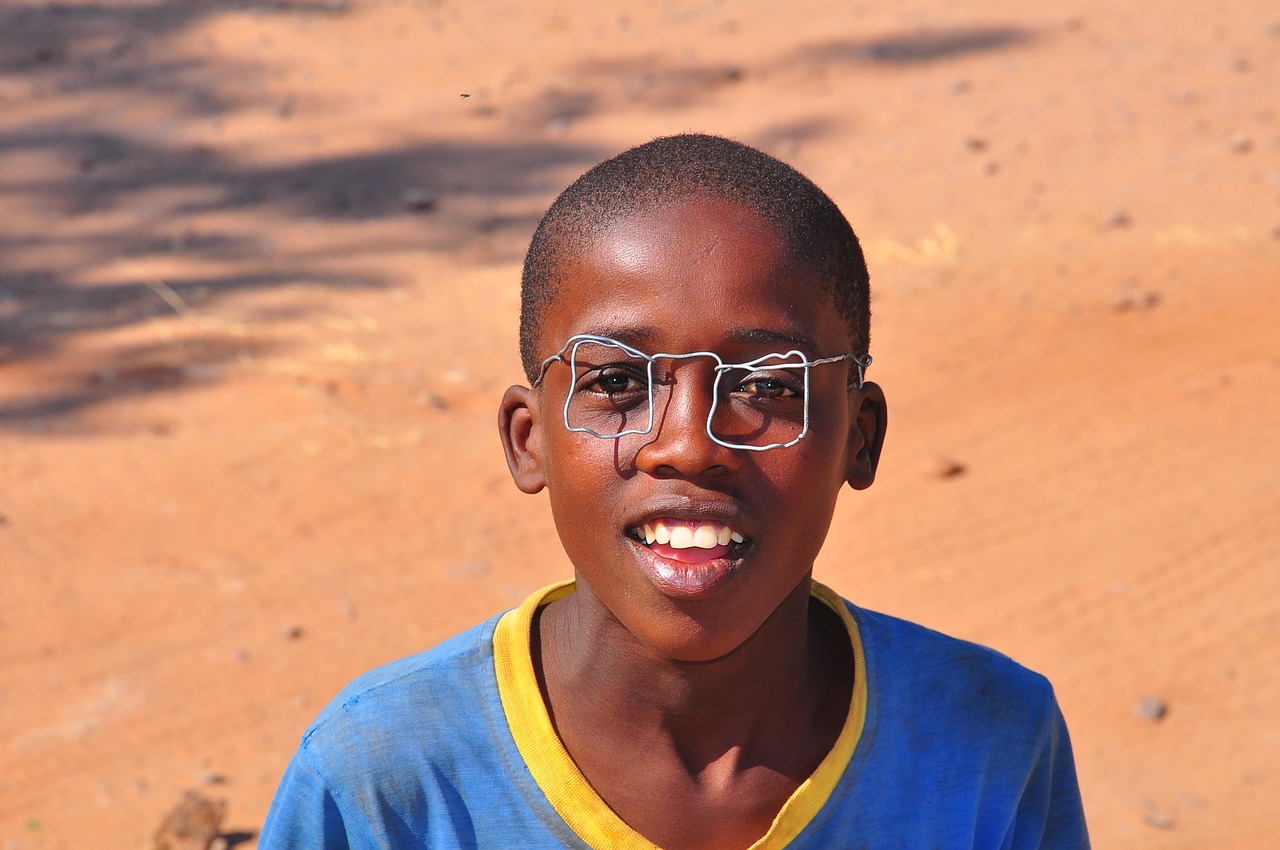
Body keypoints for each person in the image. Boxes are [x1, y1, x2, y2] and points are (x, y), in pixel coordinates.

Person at [259, 134, 1090, 849]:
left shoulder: (987, 740)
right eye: (618, 381)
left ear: (860, 436)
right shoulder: (385, 779)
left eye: (767, 386)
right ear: (529, 439)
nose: (690, 446)